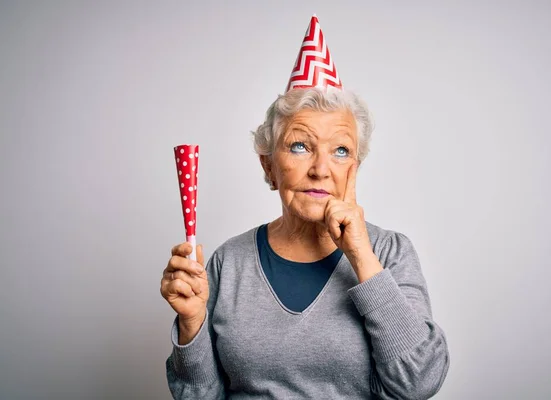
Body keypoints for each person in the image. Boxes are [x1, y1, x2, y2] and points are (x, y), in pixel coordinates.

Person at [161, 16, 449, 400]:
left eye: (340, 151)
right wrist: (192, 323)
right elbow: (198, 397)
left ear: (354, 169)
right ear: (269, 165)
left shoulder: (390, 253)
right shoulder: (227, 263)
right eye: (300, 145)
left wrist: (361, 256)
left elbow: (419, 383)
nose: (320, 169)